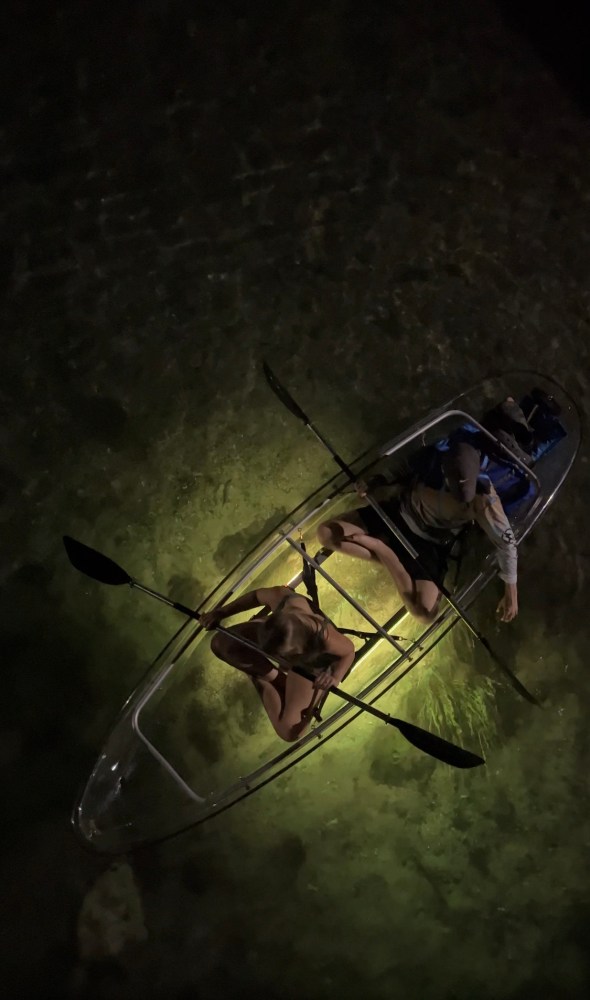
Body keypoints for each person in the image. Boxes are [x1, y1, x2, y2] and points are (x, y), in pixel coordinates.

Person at [317, 439, 519, 626]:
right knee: (326, 534)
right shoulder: (432, 454)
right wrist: (375, 481)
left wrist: (511, 592)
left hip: (430, 543)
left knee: (424, 614)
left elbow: (506, 543)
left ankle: (385, 553)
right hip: (398, 513)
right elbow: (400, 469)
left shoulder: (485, 499)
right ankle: (391, 557)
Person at [201, 586, 355, 742]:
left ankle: (265, 678)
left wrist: (335, 678)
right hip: (278, 632)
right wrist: (220, 612)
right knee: (220, 644)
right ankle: (275, 679)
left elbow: (349, 651)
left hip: (311, 664)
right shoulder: (282, 599)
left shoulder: (325, 638)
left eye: (283, 654)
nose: (277, 658)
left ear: (298, 648)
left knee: (289, 732)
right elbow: (255, 596)